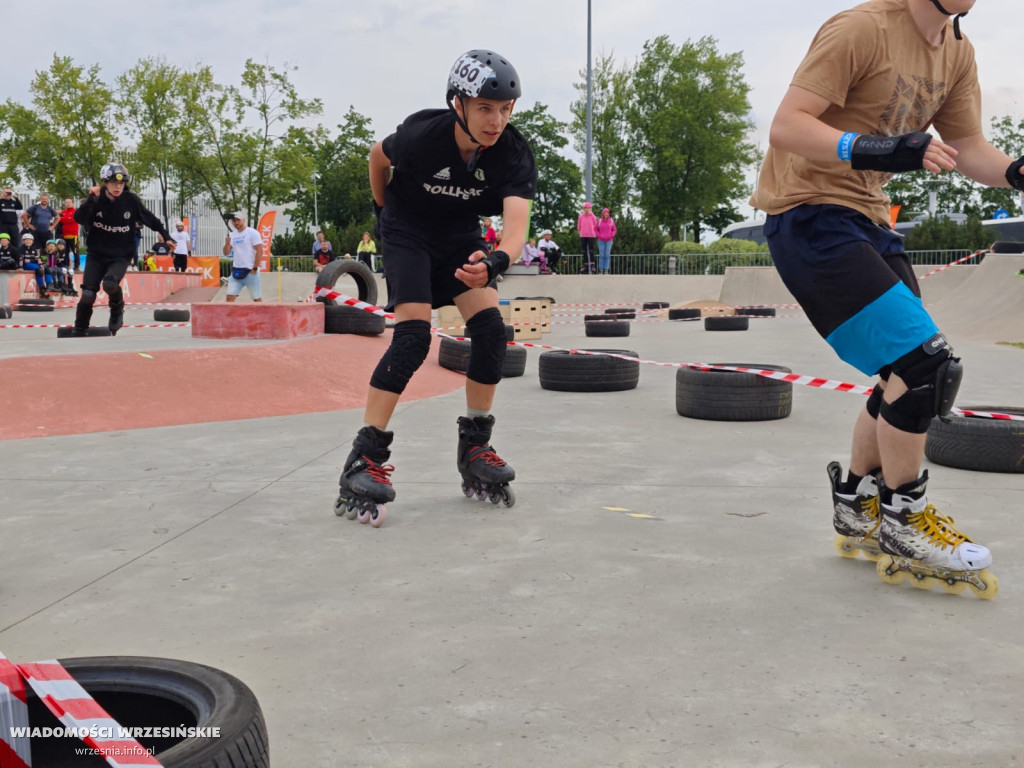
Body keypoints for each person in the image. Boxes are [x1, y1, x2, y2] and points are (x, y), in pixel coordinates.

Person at [751, 0, 1023, 596]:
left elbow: (969, 146)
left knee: (900, 374)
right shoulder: (863, 28)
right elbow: (787, 125)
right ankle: (904, 519)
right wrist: (881, 149)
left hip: (871, 221)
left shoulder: (958, 51)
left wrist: (1018, 173)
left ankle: (858, 502)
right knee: (923, 365)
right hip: (810, 213)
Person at [335, 49, 536, 528]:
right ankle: (363, 456)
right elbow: (377, 157)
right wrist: (384, 214)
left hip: (459, 238)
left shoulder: (513, 152)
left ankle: (475, 447)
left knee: (491, 331)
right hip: (407, 231)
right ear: (458, 104)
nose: (496, 120)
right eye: (485, 108)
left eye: (505, 110)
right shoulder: (424, 134)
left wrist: (496, 261)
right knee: (413, 337)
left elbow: (516, 229)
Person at [73, 163, 172, 336]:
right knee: (88, 293)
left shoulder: (131, 200)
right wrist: (90, 200)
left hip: (120, 254)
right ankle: (80, 328)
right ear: (105, 183)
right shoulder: (96, 199)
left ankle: (117, 309)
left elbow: (150, 219)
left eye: (121, 183)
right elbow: (79, 218)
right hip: (96, 253)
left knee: (110, 284)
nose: (118, 186)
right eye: (113, 183)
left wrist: (166, 236)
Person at [222, 212, 264, 302]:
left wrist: (255, 268)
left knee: (256, 299)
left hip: (250, 271)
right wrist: (227, 244)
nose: (236, 222)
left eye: (238, 220)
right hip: (236, 271)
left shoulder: (252, 233)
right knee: (229, 297)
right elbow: (226, 252)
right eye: (234, 221)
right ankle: (230, 316)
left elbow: (260, 251)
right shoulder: (233, 235)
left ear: (243, 220)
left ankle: (263, 315)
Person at [56, 198, 80, 271]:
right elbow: (57, 219)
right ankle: (66, 265)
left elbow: (72, 219)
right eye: (66, 202)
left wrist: (62, 219)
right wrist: (63, 218)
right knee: (65, 251)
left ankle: (77, 266)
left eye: (69, 202)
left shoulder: (75, 212)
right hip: (64, 235)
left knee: (75, 251)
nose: (68, 204)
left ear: (72, 203)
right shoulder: (63, 212)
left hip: (73, 236)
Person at [576, 201, 598, 274]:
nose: (587, 209)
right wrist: (580, 232)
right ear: (583, 209)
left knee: (591, 251)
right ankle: (586, 266)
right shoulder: (581, 216)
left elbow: (596, 225)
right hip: (583, 235)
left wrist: (595, 233)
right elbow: (579, 225)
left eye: (588, 208)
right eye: (585, 208)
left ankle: (592, 266)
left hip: (591, 235)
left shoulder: (593, 216)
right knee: (584, 251)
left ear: (590, 208)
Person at [596, 207, 617, 275]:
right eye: (605, 213)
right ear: (603, 213)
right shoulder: (599, 221)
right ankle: (601, 270)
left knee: (607, 255)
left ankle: (606, 270)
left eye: (607, 213)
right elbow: (595, 229)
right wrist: (599, 235)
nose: (606, 214)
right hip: (600, 240)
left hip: (609, 241)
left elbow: (614, 230)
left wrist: (611, 235)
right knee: (601, 255)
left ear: (609, 214)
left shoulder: (611, 221)